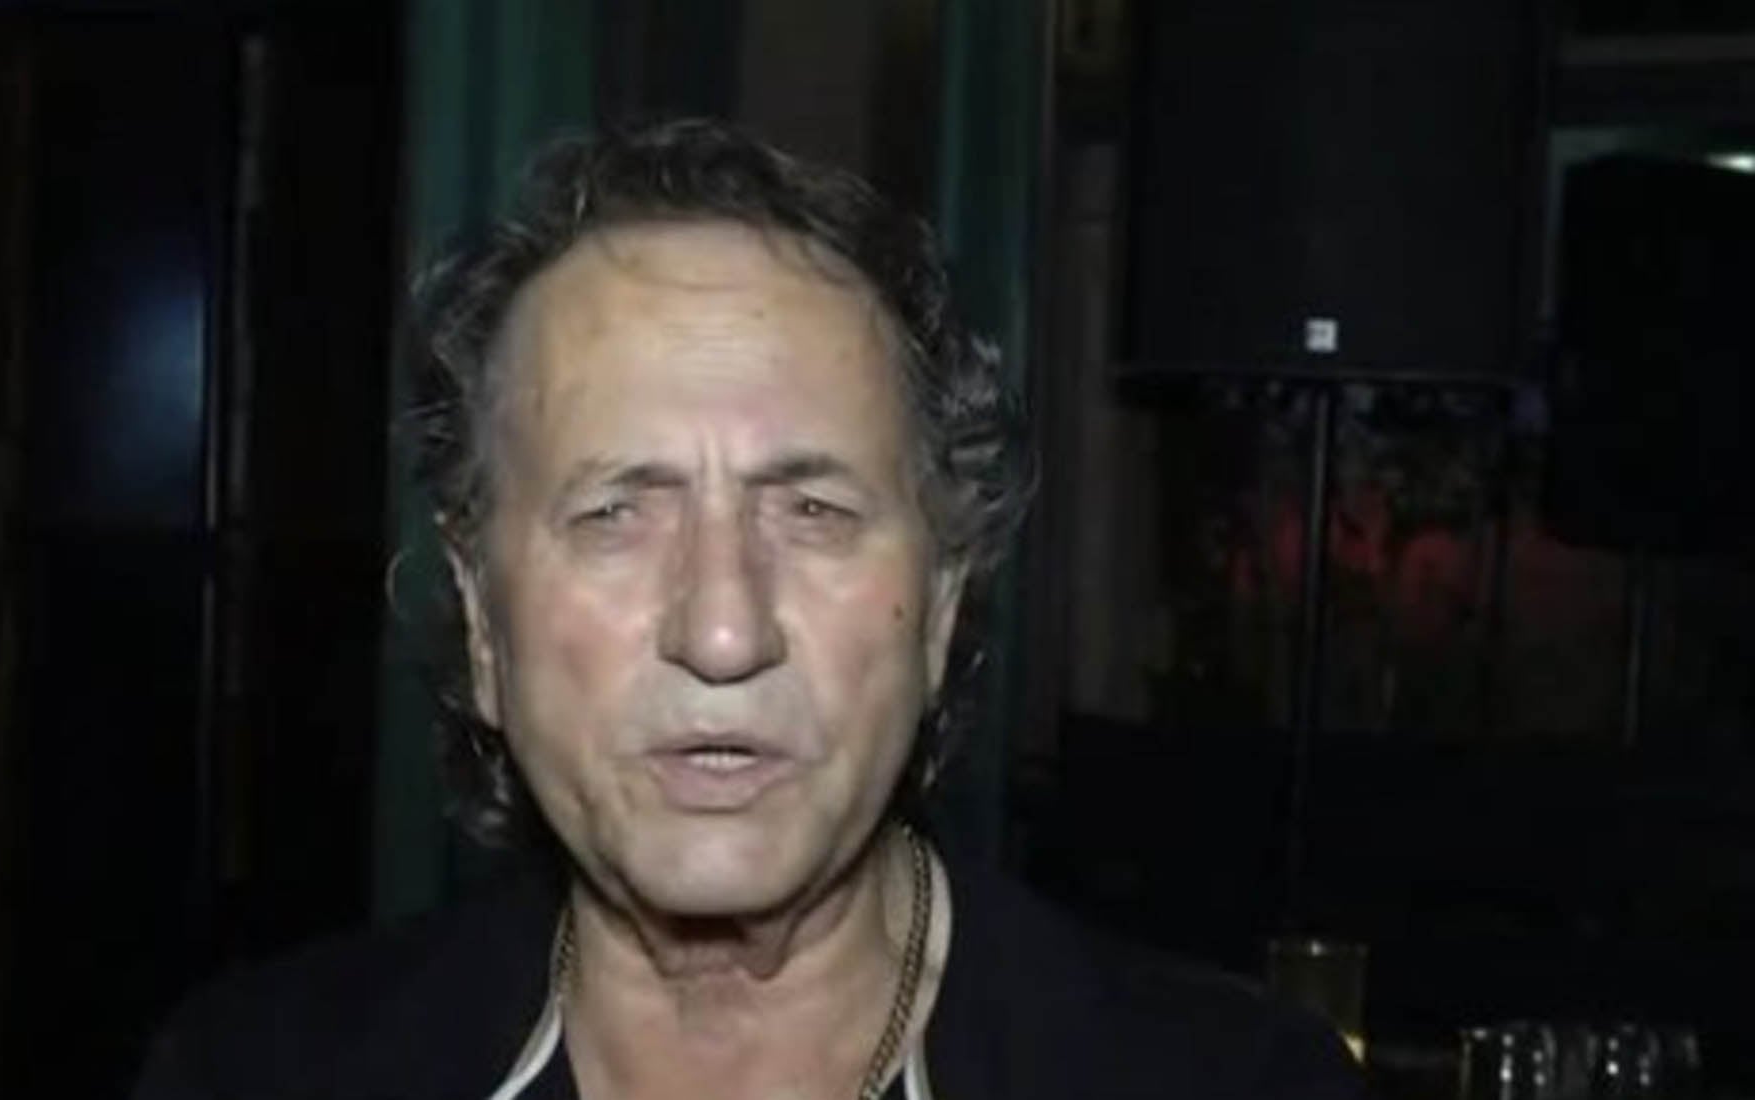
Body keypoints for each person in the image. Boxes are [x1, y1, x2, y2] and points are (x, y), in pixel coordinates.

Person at [131, 118, 1365, 1100]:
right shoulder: (256, 1073)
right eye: (615, 512)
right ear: (482, 622)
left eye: (813, 510)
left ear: (941, 607)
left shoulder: (1236, 1082)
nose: (723, 631)